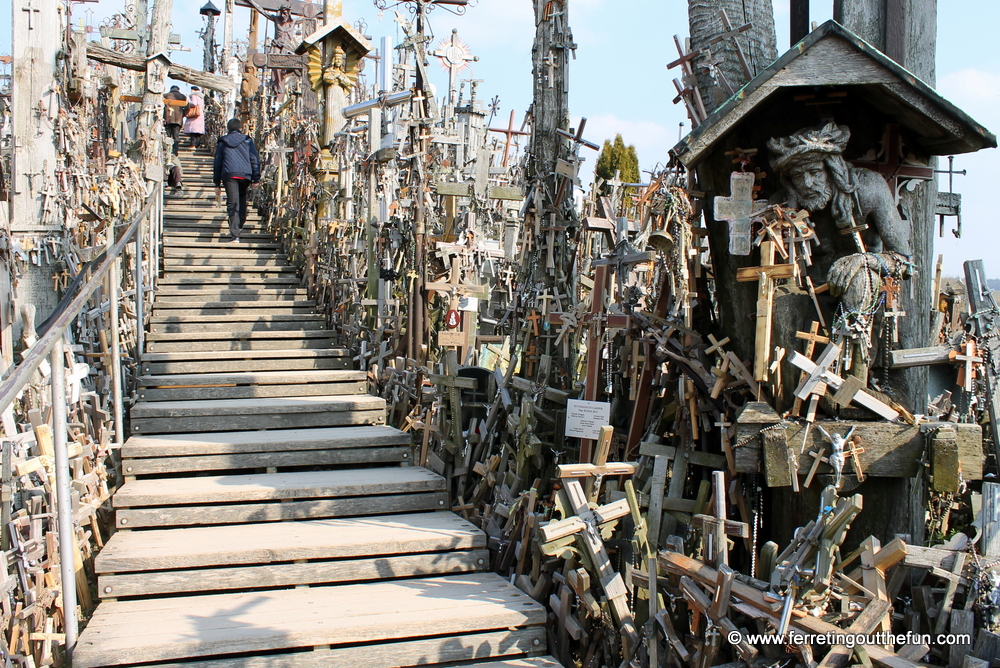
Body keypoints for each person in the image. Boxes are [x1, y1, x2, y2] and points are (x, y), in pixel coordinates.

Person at [213, 118, 260, 243]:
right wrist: (256, 178)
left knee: (232, 202)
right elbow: (254, 160)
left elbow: (217, 163)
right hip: (245, 175)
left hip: (229, 175)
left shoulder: (223, 142)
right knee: (242, 200)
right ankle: (239, 224)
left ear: (228, 128)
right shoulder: (247, 141)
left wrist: (216, 183)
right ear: (240, 128)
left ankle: (235, 234)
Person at [163, 85, 187, 156]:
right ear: (178, 89)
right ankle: (175, 152)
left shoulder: (165, 96)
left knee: (168, 136)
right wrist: (182, 114)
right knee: (176, 136)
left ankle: (168, 151)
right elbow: (187, 108)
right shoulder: (183, 97)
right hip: (178, 120)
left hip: (168, 119)